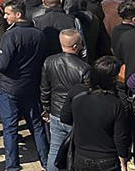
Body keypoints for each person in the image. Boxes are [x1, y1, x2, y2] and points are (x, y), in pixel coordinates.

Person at [0, 0, 49, 171]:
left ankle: (12, 166)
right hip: (30, 85)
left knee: (10, 128)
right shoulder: (39, 34)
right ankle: (46, 161)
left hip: (9, 87)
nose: (5, 17)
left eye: (8, 13)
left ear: (18, 14)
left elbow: (2, 64)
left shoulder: (11, 36)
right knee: (36, 125)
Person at [61, 56, 130, 171]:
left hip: (81, 155)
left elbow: (65, 118)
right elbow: (120, 137)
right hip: (107, 159)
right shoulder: (115, 103)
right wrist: (123, 163)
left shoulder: (76, 92)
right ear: (113, 80)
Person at [41, 28, 90, 171]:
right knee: (76, 152)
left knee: (55, 150)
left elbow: (45, 89)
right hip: (75, 115)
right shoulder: (84, 68)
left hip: (56, 113)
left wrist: (46, 109)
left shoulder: (49, 61)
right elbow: (87, 94)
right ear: (75, 46)